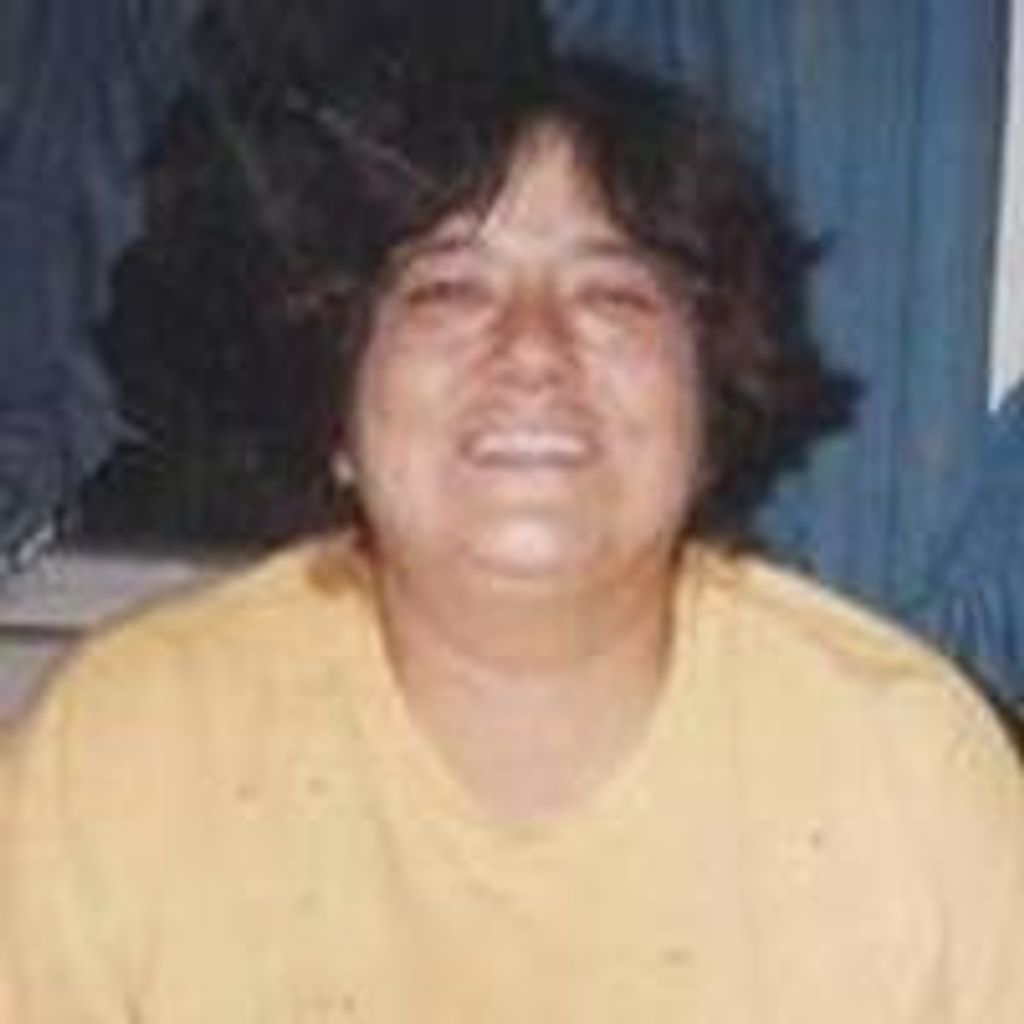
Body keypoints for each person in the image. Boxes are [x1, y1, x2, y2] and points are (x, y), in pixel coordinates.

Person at [3, 24, 1024, 1024]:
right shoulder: (122, 752)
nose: (532, 348)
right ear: (340, 412)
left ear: (712, 409)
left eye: (612, 294)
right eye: (449, 290)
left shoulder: (909, 771)